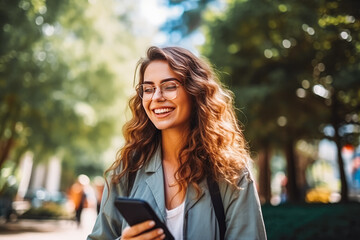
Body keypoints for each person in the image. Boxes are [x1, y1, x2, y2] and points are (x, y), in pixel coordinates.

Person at [88, 46, 267, 240]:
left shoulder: (232, 175)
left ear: (195, 91)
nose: (156, 97)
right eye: (148, 89)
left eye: (170, 86)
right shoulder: (126, 171)